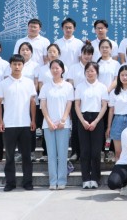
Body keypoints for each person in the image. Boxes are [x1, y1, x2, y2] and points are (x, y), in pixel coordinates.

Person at [0, 54, 37, 192]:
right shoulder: (4, 83)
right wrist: (0, 121)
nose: (17, 67)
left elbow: (32, 102)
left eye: (19, 64)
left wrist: (33, 120)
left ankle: (27, 182)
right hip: (9, 125)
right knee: (9, 156)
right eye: (14, 64)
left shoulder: (28, 83)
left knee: (26, 156)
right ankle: (10, 182)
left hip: (25, 124)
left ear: (23, 66)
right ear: (10, 65)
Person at [39, 59, 74, 190]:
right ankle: (53, 181)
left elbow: (69, 104)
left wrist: (63, 120)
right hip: (48, 125)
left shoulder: (68, 86)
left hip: (63, 125)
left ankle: (62, 180)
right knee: (52, 154)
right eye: (52, 68)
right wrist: (48, 121)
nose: (55, 70)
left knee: (62, 154)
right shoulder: (45, 87)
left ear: (62, 70)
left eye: (57, 68)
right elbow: (43, 105)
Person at [75, 62, 109, 189]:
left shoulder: (102, 87)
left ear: (97, 72)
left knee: (95, 152)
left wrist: (96, 121)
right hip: (83, 118)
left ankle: (95, 178)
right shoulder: (80, 87)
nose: (90, 73)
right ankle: (85, 179)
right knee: (84, 151)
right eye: (88, 71)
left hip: (97, 119)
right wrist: (83, 121)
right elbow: (77, 105)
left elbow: (104, 106)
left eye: (92, 71)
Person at [66, 42, 95, 161]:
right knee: (76, 127)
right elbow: (70, 85)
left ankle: (89, 152)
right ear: (81, 54)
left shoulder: (94, 67)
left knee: (91, 127)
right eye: (85, 54)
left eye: (89, 54)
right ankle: (75, 152)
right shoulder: (74, 68)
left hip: (92, 102)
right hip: (76, 102)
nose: (87, 56)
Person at [35, 44, 62, 162]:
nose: (52, 54)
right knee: (47, 126)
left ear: (58, 53)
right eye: (50, 51)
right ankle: (46, 152)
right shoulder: (42, 69)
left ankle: (59, 153)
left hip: (59, 102)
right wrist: (44, 99)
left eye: (54, 51)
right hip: (46, 102)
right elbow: (40, 85)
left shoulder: (63, 66)